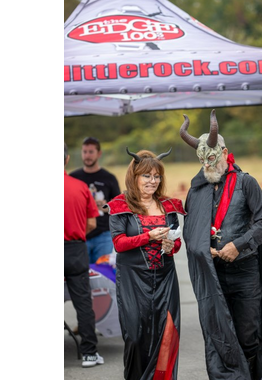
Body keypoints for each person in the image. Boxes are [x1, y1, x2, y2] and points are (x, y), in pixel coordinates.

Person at [179, 110, 262, 380]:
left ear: (224, 152)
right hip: (214, 275)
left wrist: (239, 244)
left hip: (246, 273)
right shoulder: (197, 190)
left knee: (248, 336)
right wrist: (201, 247)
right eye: (203, 160)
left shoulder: (246, 183)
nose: (208, 165)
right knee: (220, 336)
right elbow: (192, 229)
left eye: (212, 158)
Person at [105, 147, 186, 380]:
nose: (153, 181)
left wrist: (172, 246)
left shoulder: (168, 205)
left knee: (166, 334)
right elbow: (119, 243)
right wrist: (149, 237)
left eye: (157, 176)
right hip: (133, 279)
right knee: (135, 336)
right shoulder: (120, 206)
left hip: (165, 278)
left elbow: (176, 241)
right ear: (135, 176)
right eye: (147, 176)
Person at [64, 142, 104, 368]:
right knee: (83, 302)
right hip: (75, 248)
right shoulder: (80, 187)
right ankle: (89, 353)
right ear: (67, 159)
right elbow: (91, 222)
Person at [70, 137, 121, 264]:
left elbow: (119, 207)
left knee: (102, 275)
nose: (87, 155)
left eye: (91, 152)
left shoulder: (109, 178)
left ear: (99, 153)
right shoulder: (73, 177)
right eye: (84, 152)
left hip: (103, 235)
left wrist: (104, 206)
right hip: (80, 236)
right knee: (80, 276)